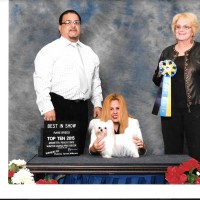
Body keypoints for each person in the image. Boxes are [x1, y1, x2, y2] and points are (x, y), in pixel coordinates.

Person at [33, 10, 103, 154]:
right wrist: (46, 107)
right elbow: (40, 80)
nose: (73, 26)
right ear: (60, 27)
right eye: (68, 22)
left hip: (82, 108)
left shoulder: (89, 52)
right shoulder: (49, 51)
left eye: (76, 22)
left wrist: (97, 103)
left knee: (77, 150)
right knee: (59, 154)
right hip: (59, 107)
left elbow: (95, 81)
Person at [152, 12, 200, 161]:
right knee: (172, 153)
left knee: (197, 151)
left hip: (196, 110)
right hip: (169, 111)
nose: (181, 29)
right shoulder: (166, 52)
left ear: (193, 30)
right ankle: (174, 182)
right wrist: (159, 73)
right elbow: (156, 80)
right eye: (178, 26)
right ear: (174, 29)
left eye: (186, 26)